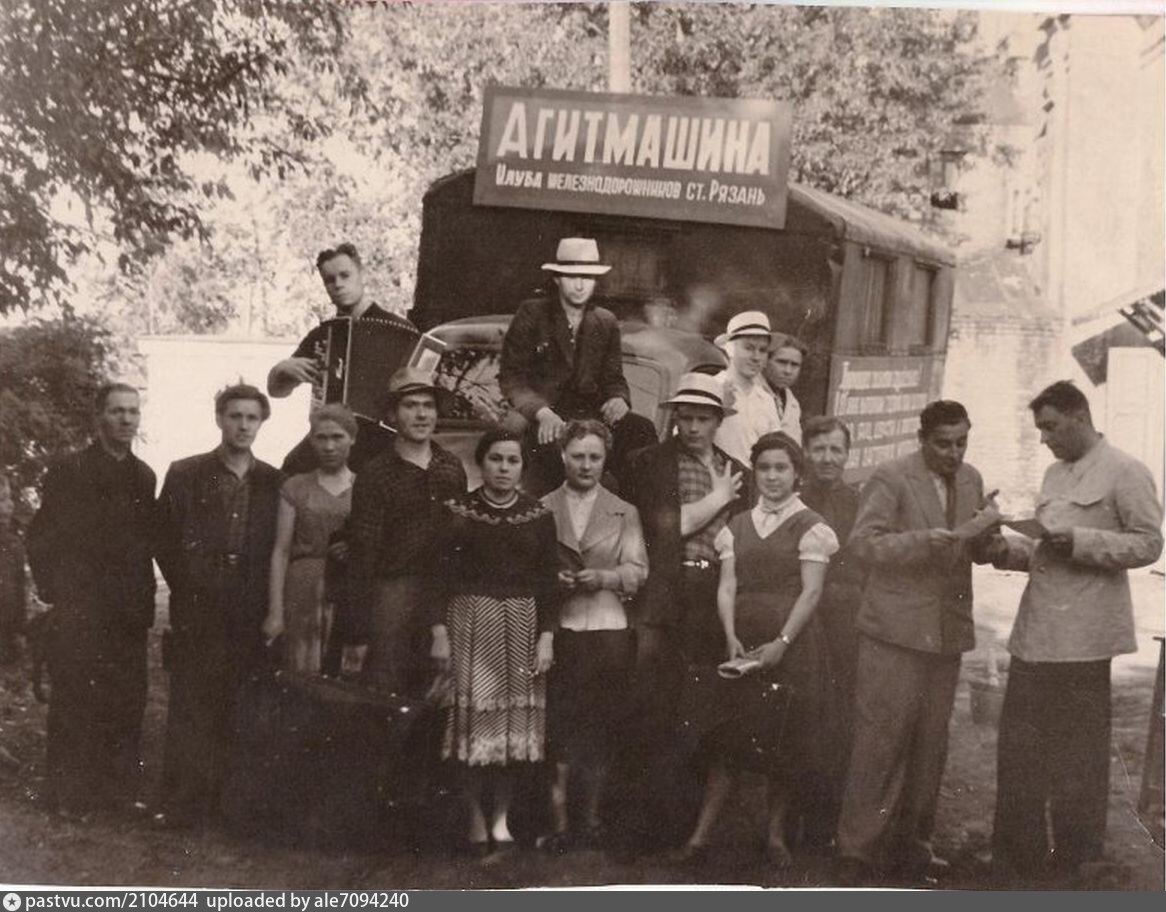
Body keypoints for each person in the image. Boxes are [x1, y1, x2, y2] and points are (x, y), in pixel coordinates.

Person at [988, 381, 1163, 881]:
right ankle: (1019, 857)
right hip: (1035, 634)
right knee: (1020, 750)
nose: (1044, 439)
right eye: (1040, 429)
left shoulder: (1126, 470)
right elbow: (1043, 550)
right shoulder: (1053, 473)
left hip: (1084, 640)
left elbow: (1149, 544)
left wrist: (1082, 541)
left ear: (1080, 417)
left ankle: (1077, 858)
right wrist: (1005, 550)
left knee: (1077, 757)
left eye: (1051, 427)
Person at [834, 400, 1001, 885]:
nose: (954, 453)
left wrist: (990, 533)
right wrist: (921, 542)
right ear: (922, 439)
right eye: (943, 444)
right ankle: (856, 851)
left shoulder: (971, 478)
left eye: (962, 442)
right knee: (880, 743)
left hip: (945, 633)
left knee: (931, 746)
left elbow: (974, 548)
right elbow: (863, 544)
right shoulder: (890, 477)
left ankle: (913, 848)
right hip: (894, 631)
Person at [677, 431, 838, 869]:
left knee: (783, 742)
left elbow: (811, 592)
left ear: (797, 474)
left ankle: (775, 837)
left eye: (781, 468)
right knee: (728, 739)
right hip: (743, 642)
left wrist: (782, 643)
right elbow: (728, 585)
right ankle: (700, 837)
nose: (772, 476)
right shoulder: (737, 526)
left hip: (791, 643)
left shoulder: (811, 526)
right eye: (764, 468)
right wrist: (730, 634)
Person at [609, 372, 753, 854]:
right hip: (664, 599)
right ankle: (632, 833)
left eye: (703, 419)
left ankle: (680, 830)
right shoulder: (649, 462)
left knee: (697, 717)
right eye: (685, 417)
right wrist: (718, 499)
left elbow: (740, 539)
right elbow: (664, 527)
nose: (692, 427)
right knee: (649, 711)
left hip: (714, 601)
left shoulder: (738, 471)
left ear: (718, 421)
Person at [154, 384, 284, 828]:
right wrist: (190, 584)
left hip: (249, 604)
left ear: (261, 423)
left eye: (252, 418)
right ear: (219, 419)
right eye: (235, 416)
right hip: (200, 603)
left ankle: (231, 808)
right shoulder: (186, 473)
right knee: (192, 701)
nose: (243, 425)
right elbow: (164, 539)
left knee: (241, 703)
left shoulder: (273, 481)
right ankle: (182, 805)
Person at [25, 383, 157, 819]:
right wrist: (56, 592)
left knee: (126, 698)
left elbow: (145, 543)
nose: (126, 419)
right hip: (81, 605)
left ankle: (117, 793)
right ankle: (67, 794)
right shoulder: (70, 469)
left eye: (132, 411)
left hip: (127, 609)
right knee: (76, 697)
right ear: (99, 416)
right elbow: (41, 536)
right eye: (117, 411)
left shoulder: (143, 476)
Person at [432, 428, 558, 853]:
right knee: (473, 726)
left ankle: (501, 820)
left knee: (510, 729)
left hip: (522, 626)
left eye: (513, 460)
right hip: (470, 623)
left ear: (522, 467)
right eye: (496, 459)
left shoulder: (538, 516)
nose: (504, 468)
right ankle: (474, 817)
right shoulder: (457, 512)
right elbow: (438, 578)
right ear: (481, 462)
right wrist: (438, 632)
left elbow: (548, 583)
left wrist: (546, 638)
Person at [539, 420, 648, 853]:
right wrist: (554, 579)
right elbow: (530, 566)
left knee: (600, 725)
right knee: (560, 726)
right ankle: (559, 823)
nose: (586, 465)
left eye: (595, 457)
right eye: (578, 456)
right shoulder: (541, 507)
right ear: (562, 456)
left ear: (605, 460)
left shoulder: (624, 511)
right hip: (562, 627)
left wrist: (604, 577)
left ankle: (593, 820)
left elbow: (638, 570)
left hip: (607, 629)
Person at [499, 236, 653, 497]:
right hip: (544, 413)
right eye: (572, 277)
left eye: (588, 277)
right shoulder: (533, 314)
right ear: (557, 279)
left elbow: (613, 378)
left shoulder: (605, 321)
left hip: (591, 413)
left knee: (641, 430)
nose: (580, 285)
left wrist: (618, 398)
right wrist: (541, 412)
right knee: (521, 445)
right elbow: (512, 377)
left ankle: (631, 510)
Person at [348, 367, 466, 695]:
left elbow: (460, 538)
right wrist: (357, 629)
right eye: (410, 406)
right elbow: (363, 553)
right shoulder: (375, 474)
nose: (421, 414)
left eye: (428, 406)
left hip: (444, 593)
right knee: (387, 689)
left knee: (440, 692)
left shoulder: (451, 467)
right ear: (392, 414)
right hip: (393, 596)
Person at [268, 242, 417, 473]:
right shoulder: (324, 334)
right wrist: (282, 369)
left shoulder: (400, 330)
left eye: (345, 275)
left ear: (361, 274)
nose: (338, 284)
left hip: (381, 437)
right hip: (332, 434)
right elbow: (276, 391)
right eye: (330, 280)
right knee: (291, 469)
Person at [797, 415, 865, 847]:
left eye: (835, 449)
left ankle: (826, 821)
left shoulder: (859, 503)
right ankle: (791, 818)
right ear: (806, 452)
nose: (827, 458)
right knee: (800, 712)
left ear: (847, 454)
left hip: (842, 621)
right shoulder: (794, 499)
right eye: (819, 449)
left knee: (839, 716)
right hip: (801, 615)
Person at [263, 404, 357, 675]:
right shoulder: (295, 486)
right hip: (302, 587)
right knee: (301, 669)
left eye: (337, 437)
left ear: (352, 438)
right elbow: (281, 551)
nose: (329, 446)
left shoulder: (365, 487)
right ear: (311, 441)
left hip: (347, 587)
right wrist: (275, 611)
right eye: (321, 438)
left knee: (344, 669)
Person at [713, 311, 783, 466]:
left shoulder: (766, 399)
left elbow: (776, 450)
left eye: (762, 350)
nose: (756, 357)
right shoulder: (711, 386)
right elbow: (683, 439)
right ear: (730, 348)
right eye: (749, 348)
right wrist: (718, 409)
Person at [0, 475, 26, 667]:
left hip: (7, 631)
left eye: (8, 498)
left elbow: (18, 590)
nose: (9, 505)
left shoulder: (14, 543)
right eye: (2, 499)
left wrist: (19, 630)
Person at [763, 333, 805, 444]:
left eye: (794, 365)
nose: (788, 371)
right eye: (781, 362)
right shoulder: (750, 394)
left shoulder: (792, 403)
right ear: (765, 361)